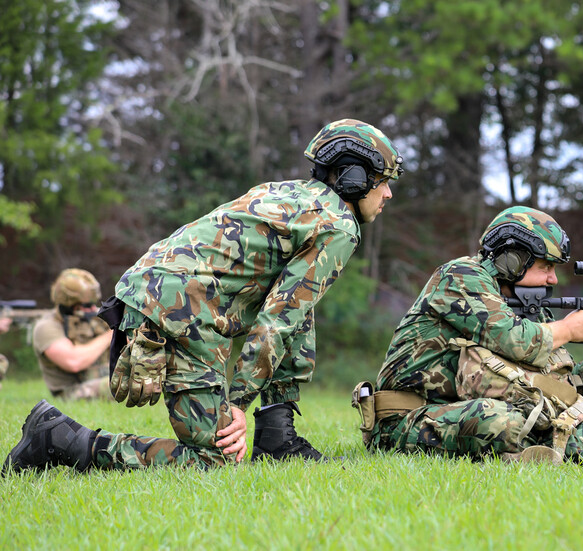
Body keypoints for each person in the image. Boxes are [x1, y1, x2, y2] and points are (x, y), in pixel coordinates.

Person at [3, 118, 403, 473]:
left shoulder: (289, 194)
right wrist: (238, 404)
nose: (387, 195)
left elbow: (290, 310)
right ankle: (62, 440)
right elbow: (277, 321)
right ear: (354, 177)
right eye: (383, 182)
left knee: (303, 309)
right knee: (216, 458)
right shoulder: (338, 224)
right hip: (180, 309)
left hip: (160, 293)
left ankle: (277, 437)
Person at [351, 206, 583, 465]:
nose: (553, 278)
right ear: (512, 260)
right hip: (405, 421)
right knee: (503, 419)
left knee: (581, 417)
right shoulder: (461, 276)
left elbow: (563, 389)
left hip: (457, 414)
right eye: (545, 266)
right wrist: (566, 329)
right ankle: (544, 452)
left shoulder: (526, 305)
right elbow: (514, 339)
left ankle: (561, 455)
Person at [30, 269, 112, 401]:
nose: (93, 309)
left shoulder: (93, 319)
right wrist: (112, 334)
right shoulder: (47, 327)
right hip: (72, 392)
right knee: (127, 385)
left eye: (94, 304)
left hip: (102, 379)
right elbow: (74, 362)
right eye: (87, 305)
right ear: (70, 305)